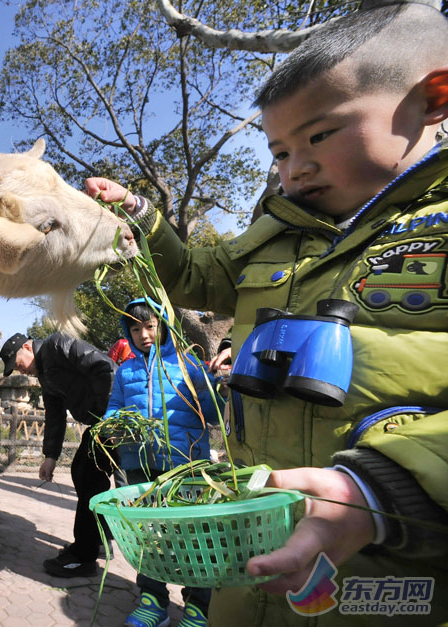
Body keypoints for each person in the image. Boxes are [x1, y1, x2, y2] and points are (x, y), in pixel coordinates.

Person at [83, 4, 448, 625]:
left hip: (386, 578)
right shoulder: (272, 233)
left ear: (434, 99)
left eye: (319, 136)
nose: (294, 167)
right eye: (279, 151)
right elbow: (198, 276)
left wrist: (376, 490)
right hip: (252, 549)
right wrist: (143, 217)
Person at [105, 298, 221, 627]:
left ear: (164, 325)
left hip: (184, 463)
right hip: (140, 462)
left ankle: (198, 604)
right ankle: (153, 600)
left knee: (190, 533)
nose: (143, 334)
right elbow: (115, 406)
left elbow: (213, 413)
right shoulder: (125, 370)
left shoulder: (188, 364)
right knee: (147, 534)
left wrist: (211, 386)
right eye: (135, 328)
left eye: (150, 326)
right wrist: (110, 425)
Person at [0, 331, 116, 577]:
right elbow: (55, 416)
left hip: (113, 418)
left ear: (27, 348)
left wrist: (109, 417)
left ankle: (84, 558)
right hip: (100, 423)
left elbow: (105, 368)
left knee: (88, 477)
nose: (21, 371)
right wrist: (50, 456)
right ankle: (93, 544)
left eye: (18, 364)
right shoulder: (46, 376)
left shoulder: (58, 345)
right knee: (84, 476)